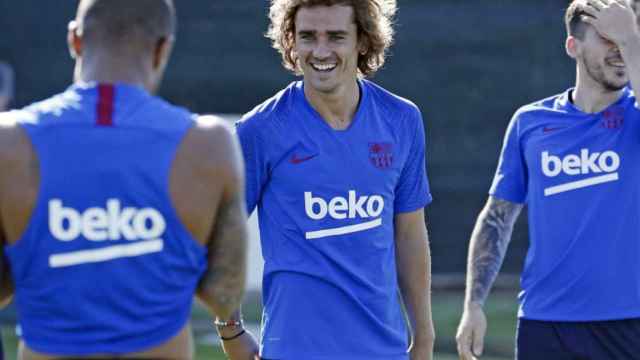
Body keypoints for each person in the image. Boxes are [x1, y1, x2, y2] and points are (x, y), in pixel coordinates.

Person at [0, 0, 250, 358]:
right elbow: (224, 292)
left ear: (75, 40)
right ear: (163, 48)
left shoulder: (8, 143)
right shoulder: (209, 144)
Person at [233, 0, 435, 359]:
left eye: (336, 36)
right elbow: (218, 233)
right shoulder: (259, 130)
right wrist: (229, 329)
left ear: (362, 40)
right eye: (308, 37)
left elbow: (409, 233)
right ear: (291, 41)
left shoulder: (402, 119)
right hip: (294, 350)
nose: (321, 51)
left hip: (383, 351)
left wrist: (424, 336)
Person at [456, 0, 640, 359]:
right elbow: (496, 218)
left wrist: (629, 37)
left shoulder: (634, 116)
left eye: (628, 39)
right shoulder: (530, 123)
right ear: (574, 47)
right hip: (545, 324)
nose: (620, 50)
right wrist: (473, 305)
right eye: (608, 39)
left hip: (628, 324)